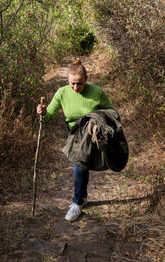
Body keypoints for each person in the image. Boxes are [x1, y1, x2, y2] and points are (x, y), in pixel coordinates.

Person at [36, 59, 113, 222]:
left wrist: (98, 121)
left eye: (79, 84)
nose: (76, 88)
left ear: (86, 79)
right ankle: (82, 198)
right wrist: (42, 112)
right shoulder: (62, 93)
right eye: (72, 84)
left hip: (92, 133)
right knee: (81, 164)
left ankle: (77, 203)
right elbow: (49, 115)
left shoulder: (97, 92)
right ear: (68, 81)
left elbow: (111, 111)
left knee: (79, 162)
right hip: (73, 132)